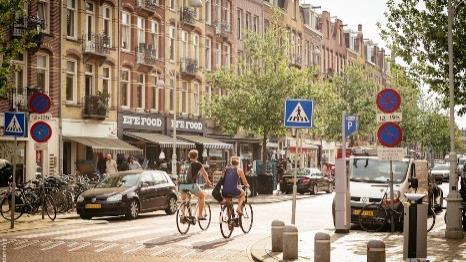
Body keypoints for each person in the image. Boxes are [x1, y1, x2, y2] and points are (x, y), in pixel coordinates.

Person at [179, 149, 212, 219]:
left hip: (181, 185)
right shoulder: (198, 164)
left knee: (184, 200)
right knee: (202, 196)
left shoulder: (184, 163)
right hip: (191, 185)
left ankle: (183, 215)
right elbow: (205, 174)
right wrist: (208, 181)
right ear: (196, 156)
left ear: (189, 156)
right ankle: (200, 215)